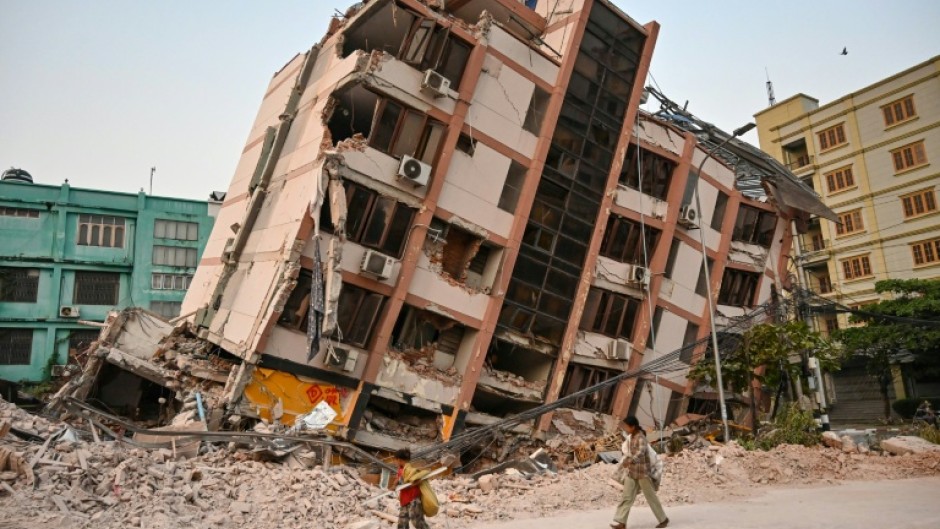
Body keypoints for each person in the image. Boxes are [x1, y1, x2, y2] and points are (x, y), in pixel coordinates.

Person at [611, 416, 669, 529]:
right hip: (632, 472)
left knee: (651, 497)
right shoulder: (630, 437)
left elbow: (641, 452)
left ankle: (663, 519)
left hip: (643, 473)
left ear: (633, 427)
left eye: (627, 426)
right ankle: (621, 522)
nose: (625, 428)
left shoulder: (641, 437)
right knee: (626, 497)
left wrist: (630, 460)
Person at [395, 448, 430, 529]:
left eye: (395, 460)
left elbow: (418, 480)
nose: (395, 462)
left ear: (399, 460)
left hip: (413, 499)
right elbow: (398, 479)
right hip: (405, 500)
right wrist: (394, 485)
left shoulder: (410, 470)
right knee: (402, 522)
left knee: (417, 522)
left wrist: (413, 484)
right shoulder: (400, 470)